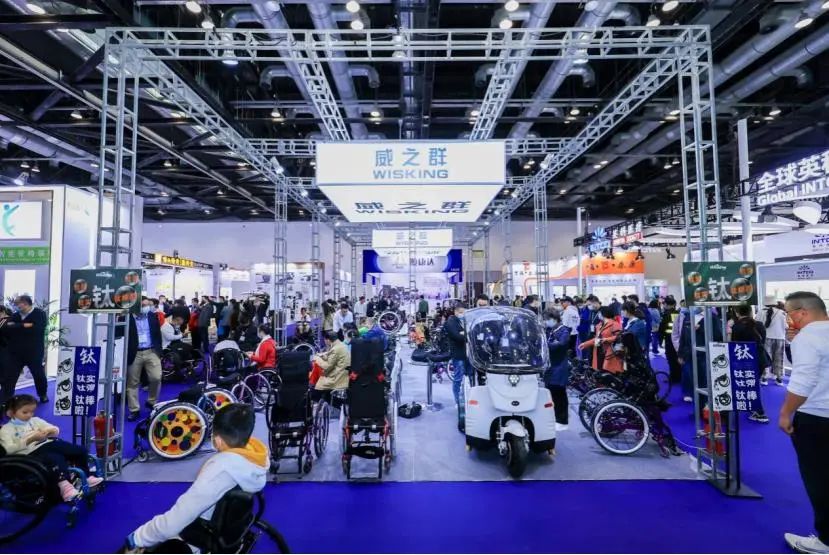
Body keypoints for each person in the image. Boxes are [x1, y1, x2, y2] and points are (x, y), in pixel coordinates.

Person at [122, 404, 267, 554]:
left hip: (202, 533)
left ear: (217, 441)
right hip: (229, 530)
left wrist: (137, 537)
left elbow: (172, 523)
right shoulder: (255, 460)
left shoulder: (220, 471)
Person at [779, 292, 829, 555]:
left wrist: (785, 413)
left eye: (789, 313)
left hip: (816, 418)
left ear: (802, 312)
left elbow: (803, 381)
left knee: (819, 478)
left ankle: (826, 541)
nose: (788, 319)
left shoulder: (807, 337)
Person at [1, 394, 103, 500]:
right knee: (55, 457)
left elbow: (55, 429)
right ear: (11, 413)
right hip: (29, 454)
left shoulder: (35, 420)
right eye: (25, 412)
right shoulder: (6, 429)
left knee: (80, 450)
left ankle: (85, 477)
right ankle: (65, 487)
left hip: (47, 445)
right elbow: (8, 449)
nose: (29, 415)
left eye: (32, 412)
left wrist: (50, 431)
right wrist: (30, 440)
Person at [123, 298, 164, 421]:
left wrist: (159, 351)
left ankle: (152, 401)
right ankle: (134, 409)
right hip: (134, 353)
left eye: (148, 305)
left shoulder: (152, 316)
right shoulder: (127, 317)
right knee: (132, 382)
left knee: (156, 377)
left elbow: (157, 334)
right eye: (144, 305)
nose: (147, 307)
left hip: (151, 351)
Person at [730, 304, 770, 424]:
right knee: (753, 384)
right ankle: (755, 409)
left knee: (750, 385)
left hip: (746, 361)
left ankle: (760, 412)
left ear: (737, 313)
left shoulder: (736, 326)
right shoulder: (759, 325)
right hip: (760, 359)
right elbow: (763, 341)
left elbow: (735, 345)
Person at [678, 307, 723, 409]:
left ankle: (706, 409)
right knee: (692, 382)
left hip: (705, 356)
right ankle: (698, 408)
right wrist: (680, 353)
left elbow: (718, 335)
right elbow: (683, 336)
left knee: (705, 383)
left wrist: (701, 329)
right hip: (689, 355)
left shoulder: (712, 318)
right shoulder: (688, 317)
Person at [6, 295, 48, 403]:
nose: (17, 306)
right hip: (16, 353)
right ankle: (6, 399)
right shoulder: (15, 315)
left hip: (34, 352)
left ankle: (42, 394)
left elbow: (37, 329)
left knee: (38, 375)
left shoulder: (40, 314)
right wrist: (24, 325)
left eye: (18, 304)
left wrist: (17, 326)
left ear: (26, 303)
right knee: (11, 376)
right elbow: (8, 327)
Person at [543, 309, 571, 430]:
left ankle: (562, 420)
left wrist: (546, 345)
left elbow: (559, 346)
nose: (545, 322)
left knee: (560, 394)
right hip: (551, 367)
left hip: (559, 367)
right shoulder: (550, 330)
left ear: (554, 319)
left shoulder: (564, 330)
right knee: (551, 393)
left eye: (547, 319)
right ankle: (553, 417)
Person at [445, 303, 469, 432]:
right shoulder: (451, 322)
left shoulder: (466, 320)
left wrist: (464, 333)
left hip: (469, 354)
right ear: (455, 312)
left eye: (464, 312)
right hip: (458, 354)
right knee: (458, 379)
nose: (462, 314)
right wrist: (465, 334)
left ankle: (468, 401)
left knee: (470, 378)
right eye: (460, 312)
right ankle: (457, 402)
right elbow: (457, 336)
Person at [578, 306, 623, 373]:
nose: (598, 314)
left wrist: (606, 339)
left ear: (603, 313)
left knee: (608, 373)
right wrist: (585, 344)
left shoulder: (615, 324)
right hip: (599, 352)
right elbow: (597, 339)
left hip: (610, 353)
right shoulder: (599, 325)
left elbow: (619, 337)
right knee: (599, 372)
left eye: (599, 313)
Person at [312, 330, 350, 401]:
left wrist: (317, 359)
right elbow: (334, 359)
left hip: (337, 378)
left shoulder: (335, 349)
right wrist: (323, 356)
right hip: (342, 374)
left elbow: (327, 366)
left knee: (315, 387)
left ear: (328, 340)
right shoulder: (341, 345)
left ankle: (317, 401)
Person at [762, 295, 788, 386]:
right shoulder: (782, 313)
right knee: (779, 358)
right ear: (774, 303)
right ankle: (779, 379)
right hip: (780, 338)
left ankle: (764, 378)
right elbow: (786, 326)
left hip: (766, 337)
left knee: (766, 358)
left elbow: (758, 324)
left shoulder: (761, 312)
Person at [659, 297, 682, 384]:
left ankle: (674, 378)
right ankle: (679, 376)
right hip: (678, 339)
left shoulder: (666, 315)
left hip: (669, 339)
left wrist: (660, 340)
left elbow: (662, 329)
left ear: (666, 304)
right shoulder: (678, 313)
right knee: (677, 358)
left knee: (671, 359)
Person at [0, 306, 15, 406]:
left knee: (6, 379)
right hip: (3, 353)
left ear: (3, 311)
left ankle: (5, 403)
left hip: (6, 353)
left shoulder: (10, 321)